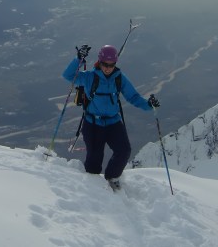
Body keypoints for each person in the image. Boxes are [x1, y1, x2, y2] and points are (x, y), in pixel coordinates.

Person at [62, 44, 160, 191]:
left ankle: (112, 178)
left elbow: (133, 96)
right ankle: (93, 189)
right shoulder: (89, 77)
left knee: (124, 151)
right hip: (93, 123)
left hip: (113, 123)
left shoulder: (119, 78)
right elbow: (68, 75)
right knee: (94, 160)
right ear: (99, 62)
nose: (108, 68)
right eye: (105, 64)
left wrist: (148, 105)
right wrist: (78, 59)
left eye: (111, 65)